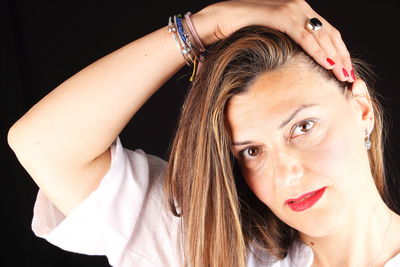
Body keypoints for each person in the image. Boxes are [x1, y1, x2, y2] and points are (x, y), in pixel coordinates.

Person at [7, 0, 400, 266]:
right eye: (251, 151)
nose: (285, 173)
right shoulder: (210, 247)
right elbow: (44, 145)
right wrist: (202, 27)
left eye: (303, 127)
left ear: (362, 109)